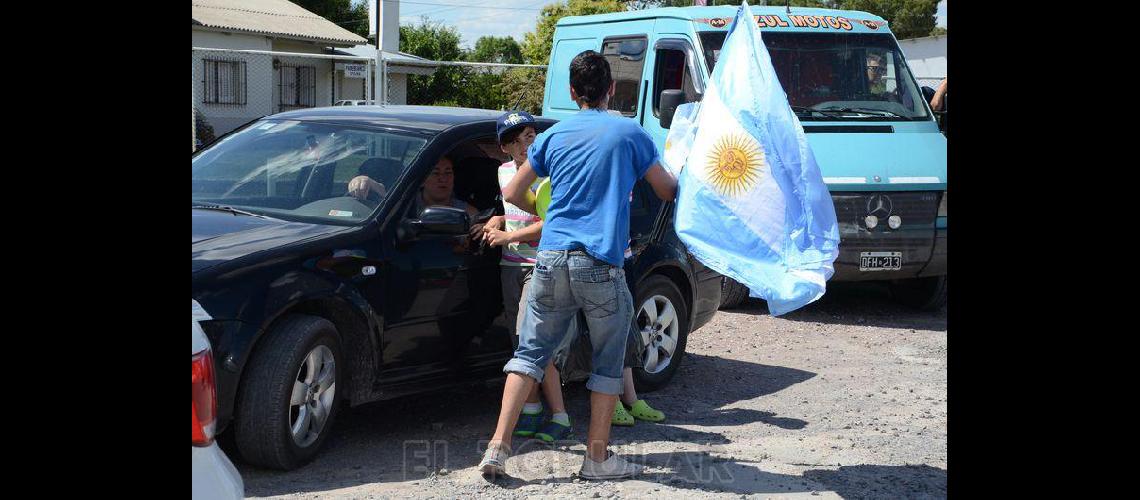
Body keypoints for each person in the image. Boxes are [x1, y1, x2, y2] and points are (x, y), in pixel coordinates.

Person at [478, 50, 678, 481]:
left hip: (549, 258)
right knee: (607, 362)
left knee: (530, 353)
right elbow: (666, 190)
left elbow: (513, 191)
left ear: (572, 92)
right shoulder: (630, 133)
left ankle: (496, 448)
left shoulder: (551, 137)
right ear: (610, 89)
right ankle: (597, 459)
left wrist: (545, 208)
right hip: (601, 262)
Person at [482, 110, 574, 444]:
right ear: (504, 147)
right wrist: (496, 223)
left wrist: (509, 237)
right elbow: (512, 213)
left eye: (530, 136)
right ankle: (533, 409)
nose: (524, 144)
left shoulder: (549, 175)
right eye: (515, 140)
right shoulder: (504, 172)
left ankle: (560, 415)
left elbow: (553, 221)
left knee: (533, 340)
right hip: (510, 265)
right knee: (520, 341)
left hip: (540, 264)